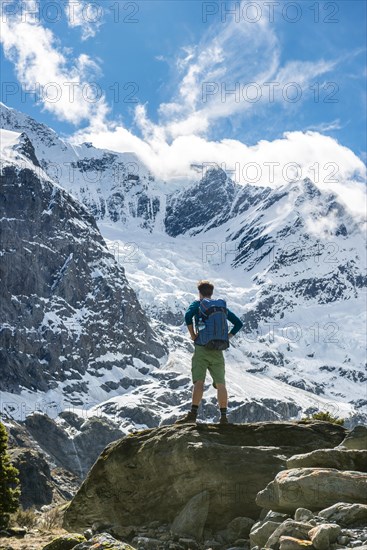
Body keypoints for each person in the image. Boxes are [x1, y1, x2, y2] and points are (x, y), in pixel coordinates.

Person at [176, 280, 243, 425]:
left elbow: (187, 317)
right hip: (218, 350)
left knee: (199, 382)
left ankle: (192, 415)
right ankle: (224, 417)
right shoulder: (219, 307)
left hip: (201, 348)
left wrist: (193, 335)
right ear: (211, 293)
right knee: (221, 384)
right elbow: (239, 323)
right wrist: (228, 336)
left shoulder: (198, 304)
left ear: (199, 292)